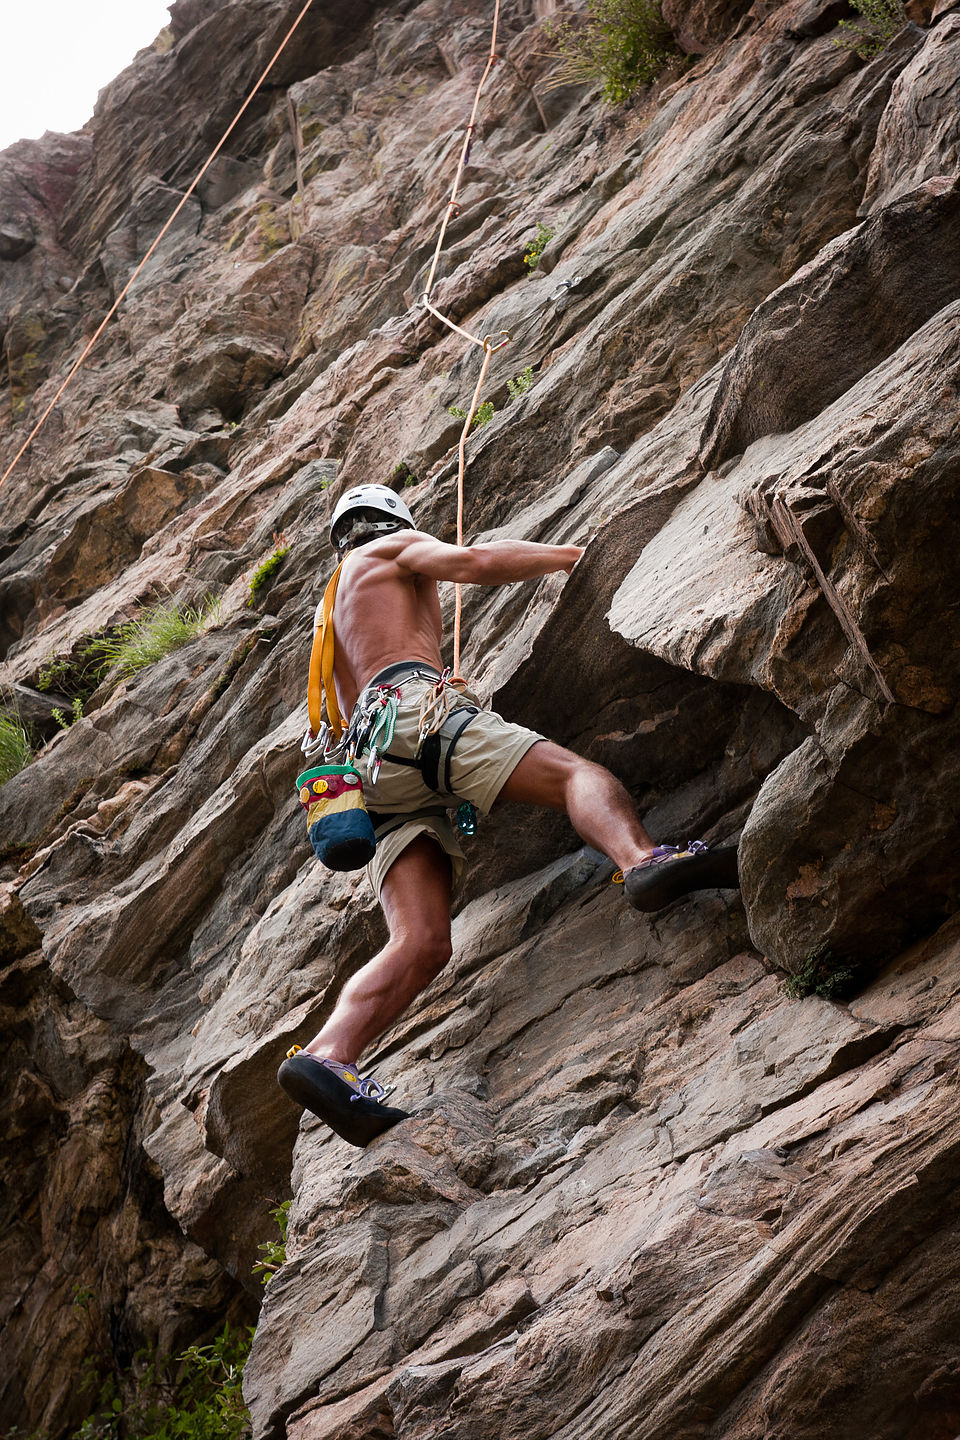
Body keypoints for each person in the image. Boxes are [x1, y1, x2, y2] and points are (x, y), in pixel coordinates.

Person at [278, 484, 739, 1145]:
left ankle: (327, 1054)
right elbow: (474, 563)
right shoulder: (389, 548)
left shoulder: (332, 614)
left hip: (370, 772)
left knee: (420, 941)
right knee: (576, 775)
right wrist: (573, 555)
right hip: (414, 715)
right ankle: (643, 860)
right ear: (391, 522)